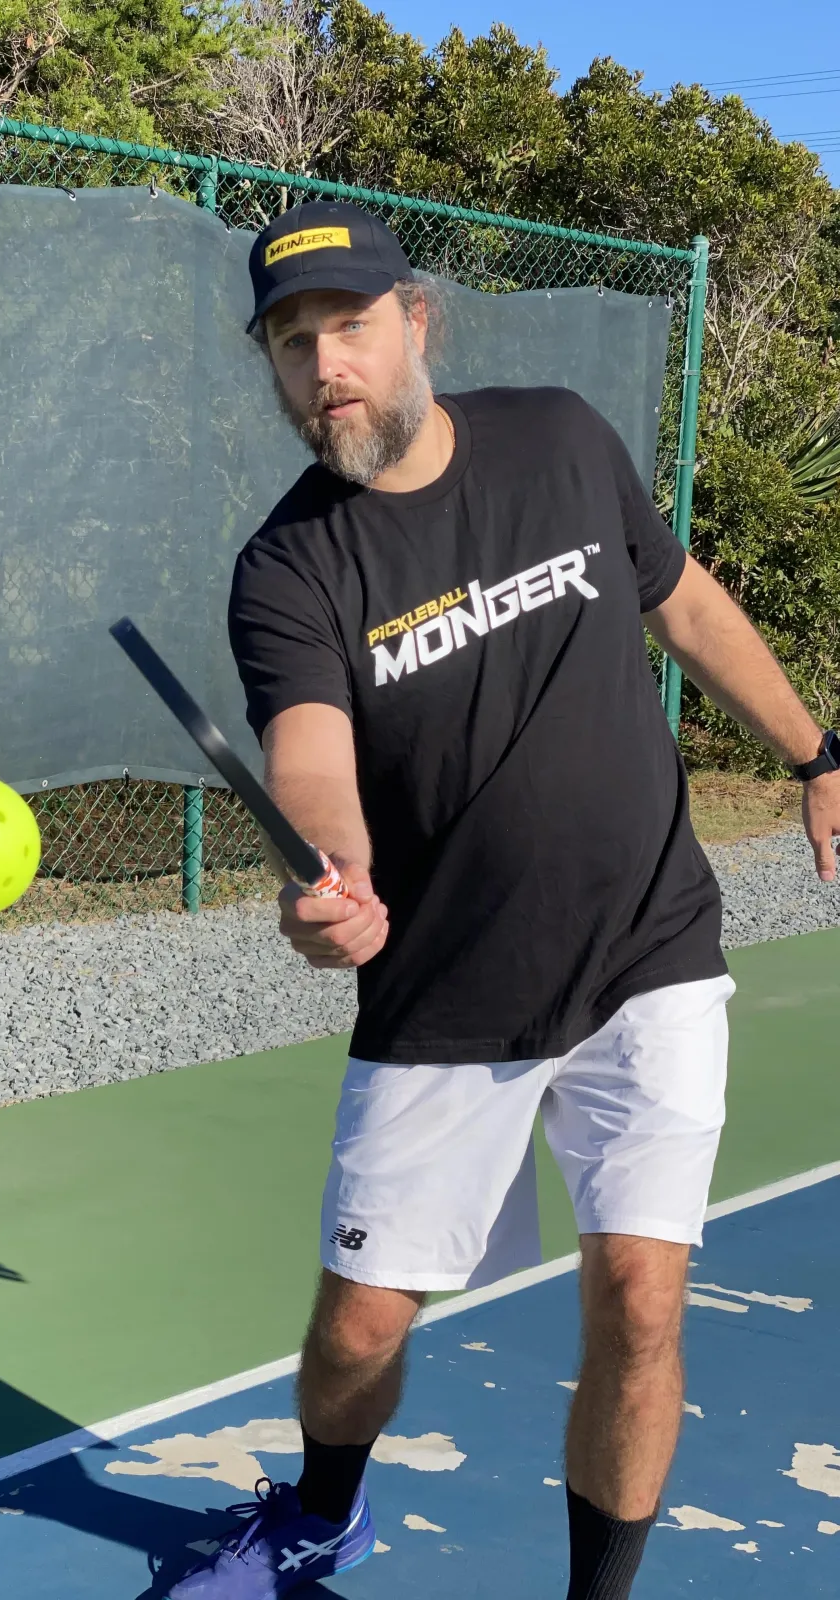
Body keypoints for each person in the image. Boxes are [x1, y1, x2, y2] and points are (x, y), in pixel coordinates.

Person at [167, 200, 840, 1600]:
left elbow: (686, 603)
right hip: (447, 994)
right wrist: (331, 872)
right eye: (290, 345)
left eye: (347, 325)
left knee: (642, 1300)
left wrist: (817, 753)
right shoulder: (290, 568)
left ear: (418, 321)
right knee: (357, 1335)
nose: (322, 365)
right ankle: (319, 1512)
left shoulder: (560, 438)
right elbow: (310, 756)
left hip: (648, 948)